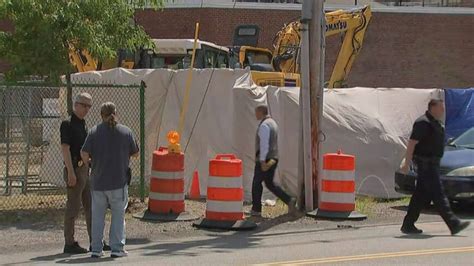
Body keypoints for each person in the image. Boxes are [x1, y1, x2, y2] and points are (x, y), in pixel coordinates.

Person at [400, 99, 470, 235]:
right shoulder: (423, 122)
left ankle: (408, 224)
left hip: (434, 164)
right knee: (439, 195)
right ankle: (454, 224)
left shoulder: (436, 123)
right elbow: (412, 143)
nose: (443, 110)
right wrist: (406, 163)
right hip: (426, 165)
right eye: (440, 108)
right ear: (432, 108)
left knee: (419, 196)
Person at [81, 102, 139, 258]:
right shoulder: (126, 131)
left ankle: (96, 248)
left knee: (98, 217)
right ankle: (117, 248)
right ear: (116, 113)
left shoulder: (94, 132)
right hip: (118, 181)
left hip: (98, 182)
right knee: (118, 217)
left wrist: (91, 163)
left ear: (101, 115)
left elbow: (84, 153)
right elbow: (136, 153)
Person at [60, 93, 94, 254]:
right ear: (76, 105)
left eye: (89, 106)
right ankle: (69, 242)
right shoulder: (67, 124)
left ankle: (95, 239)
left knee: (91, 206)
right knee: (73, 207)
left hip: (85, 169)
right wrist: (71, 173)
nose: (87, 109)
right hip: (74, 168)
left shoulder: (83, 124)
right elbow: (65, 149)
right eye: (84, 105)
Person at [251, 105, 296, 217]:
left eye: (256, 112)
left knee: (256, 183)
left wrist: (262, 161)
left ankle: (256, 209)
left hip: (265, 158)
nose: (255, 114)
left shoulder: (264, 125)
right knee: (269, 183)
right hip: (273, 158)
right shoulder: (273, 123)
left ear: (261, 112)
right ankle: (289, 200)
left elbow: (264, 144)